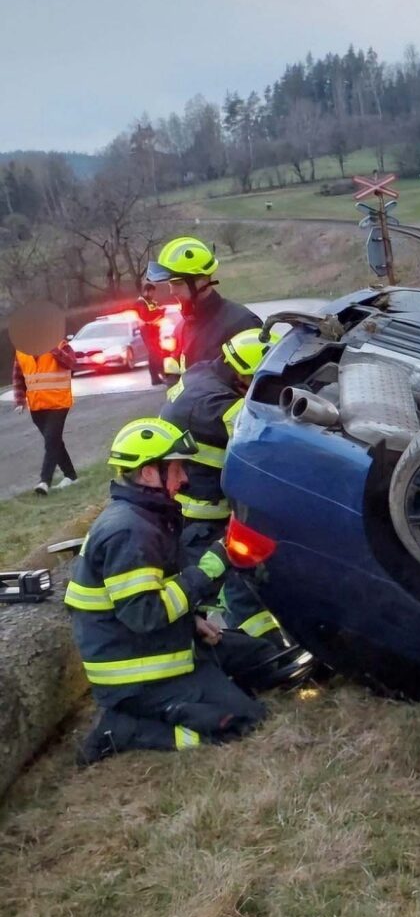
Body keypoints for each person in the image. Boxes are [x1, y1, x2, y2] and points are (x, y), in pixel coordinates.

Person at [65, 417, 268, 764]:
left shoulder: (147, 517)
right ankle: (124, 730)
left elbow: (155, 593)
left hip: (166, 644)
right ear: (148, 473)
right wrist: (209, 568)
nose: (184, 479)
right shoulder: (129, 532)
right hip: (140, 676)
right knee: (243, 721)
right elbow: (146, 613)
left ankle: (207, 687)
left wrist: (192, 621)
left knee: (263, 656)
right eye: (176, 470)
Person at [161, 328, 283, 642]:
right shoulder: (219, 406)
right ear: (243, 376)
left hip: (200, 501)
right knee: (235, 587)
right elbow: (262, 443)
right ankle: (270, 652)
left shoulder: (204, 371)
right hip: (203, 515)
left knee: (239, 580)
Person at [145, 235, 260, 381]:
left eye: (178, 283)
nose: (172, 291)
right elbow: (176, 384)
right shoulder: (181, 329)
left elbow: (259, 390)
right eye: (170, 283)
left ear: (202, 280)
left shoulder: (242, 324)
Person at [12, 337, 78, 495]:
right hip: (37, 406)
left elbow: (72, 364)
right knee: (54, 441)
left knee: (51, 440)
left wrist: (53, 350)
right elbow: (18, 376)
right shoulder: (21, 351)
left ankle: (44, 482)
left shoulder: (60, 344)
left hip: (58, 403)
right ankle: (71, 476)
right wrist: (20, 400)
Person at [133, 282, 166, 386]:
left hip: (154, 330)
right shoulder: (141, 302)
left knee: (157, 353)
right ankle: (156, 377)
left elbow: (154, 313)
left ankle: (159, 375)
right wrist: (159, 312)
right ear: (146, 291)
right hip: (147, 330)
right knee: (153, 353)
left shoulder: (150, 302)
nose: (153, 294)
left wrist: (160, 311)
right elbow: (146, 317)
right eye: (151, 292)